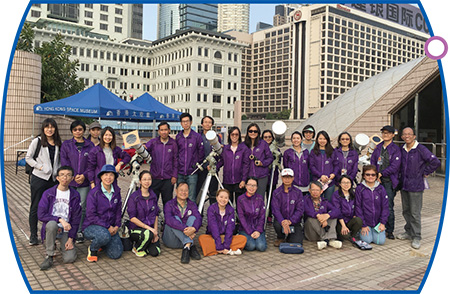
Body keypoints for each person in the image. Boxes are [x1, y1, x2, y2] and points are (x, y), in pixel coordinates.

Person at [397, 127, 440, 249]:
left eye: (409, 134)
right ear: (401, 137)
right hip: (404, 185)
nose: (407, 136)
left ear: (414, 136)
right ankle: (408, 231)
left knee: (415, 213)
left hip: (416, 186)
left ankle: (416, 236)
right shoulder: (403, 149)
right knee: (406, 211)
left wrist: (425, 172)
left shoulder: (420, 149)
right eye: (404, 134)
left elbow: (435, 162)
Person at [37, 166, 81, 270]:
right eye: (62, 175)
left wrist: (71, 239)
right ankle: (49, 255)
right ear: (57, 178)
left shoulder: (75, 195)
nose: (65, 178)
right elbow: (41, 215)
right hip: (53, 227)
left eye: (68, 175)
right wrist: (60, 219)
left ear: (72, 178)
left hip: (66, 229)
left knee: (69, 259)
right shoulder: (48, 193)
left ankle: (62, 245)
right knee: (52, 224)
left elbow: (76, 219)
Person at [26, 118, 62, 246]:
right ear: (43, 128)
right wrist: (41, 167)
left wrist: (58, 173)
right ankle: (33, 235)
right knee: (35, 206)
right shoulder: (38, 141)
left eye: (52, 127)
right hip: (39, 178)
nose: (49, 129)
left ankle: (50, 233)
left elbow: (58, 161)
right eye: (47, 127)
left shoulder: (58, 142)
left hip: (53, 180)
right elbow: (28, 158)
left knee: (51, 207)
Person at [60, 120, 95, 244]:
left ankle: (79, 230)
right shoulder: (66, 145)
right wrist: (72, 175)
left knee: (82, 206)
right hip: (69, 181)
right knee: (68, 205)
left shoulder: (90, 145)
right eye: (75, 130)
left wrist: (84, 175)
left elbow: (92, 163)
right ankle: (67, 229)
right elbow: (64, 161)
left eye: (80, 129)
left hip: (84, 183)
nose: (78, 132)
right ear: (72, 131)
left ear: (84, 130)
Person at [83, 164, 123, 262]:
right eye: (105, 174)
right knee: (104, 235)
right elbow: (91, 215)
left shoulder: (116, 192)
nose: (108, 178)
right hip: (92, 226)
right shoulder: (94, 193)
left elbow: (118, 211)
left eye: (111, 175)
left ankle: (102, 243)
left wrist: (117, 226)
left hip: (110, 227)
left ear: (114, 177)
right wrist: (107, 227)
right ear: (101, 176)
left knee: (116, 254)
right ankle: (93, 249)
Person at [370, 125, 401, 240]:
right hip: (377, 181)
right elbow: (373, 161)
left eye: (388, 133)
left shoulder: (396, 149)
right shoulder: (378, 148)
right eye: (383, 133)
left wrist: (381, 174)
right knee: (376, 204)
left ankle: (390, 230)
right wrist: (374, 174)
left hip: (388, 181)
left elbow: (395, 166)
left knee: (388, 206)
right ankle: (378, 228)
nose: (385, 135)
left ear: (393, 135)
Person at [198, 189, 247, 256]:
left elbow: (230, 228)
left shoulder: (231, 210)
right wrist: (218, 244)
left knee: (243, 238)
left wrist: (226, 245)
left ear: (228, 199)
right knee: (202, 238)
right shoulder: (211, 209)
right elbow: (213, 227)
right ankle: (228, 250)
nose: (223, 200)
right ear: (217, 197)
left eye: (226, 198)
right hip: (213, 236)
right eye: (221, 197)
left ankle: (216, 250)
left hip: (226, 237)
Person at [162, 182, 202, 264]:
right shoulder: (169, 204)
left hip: (182, 240)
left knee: (193, 218)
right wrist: (186, 230)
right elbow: (169, 220)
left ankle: (187, 247)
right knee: (174, 219)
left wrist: (194, 228)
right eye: (181, 190)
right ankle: (191, 245)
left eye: (186, 190)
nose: (183, 192)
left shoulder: (192, 204)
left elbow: (198, 218)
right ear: (176, 191)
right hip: (171, 241)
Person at [127, 171, 161, 257]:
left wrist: (155, 231)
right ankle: (137, 248)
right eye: (144, 179)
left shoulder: (153, 196)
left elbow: (156, 214)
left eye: (149, 179)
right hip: (136, 229)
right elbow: (132, 218)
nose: (147, 182)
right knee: (147, 234)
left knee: (155, 252)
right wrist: (150, 229)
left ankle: (146, 243)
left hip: (150, 229)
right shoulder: (134, 197)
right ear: (140, 181)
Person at [145, 121, 178, 207]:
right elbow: (145, 150)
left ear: (169, 130)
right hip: (155, 177)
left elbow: (176, 160)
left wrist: (174, 175)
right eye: (161, 130)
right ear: (158, 131)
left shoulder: (173, 144)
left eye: (165, 130)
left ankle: (167, 220)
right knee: (152, 202)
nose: (164, 132)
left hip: (168, 179)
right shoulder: (153, 142)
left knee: (168, 203)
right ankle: (153, 219)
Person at [355, 165, 389, 245]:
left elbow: (385, 207)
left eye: (373, 175)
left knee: (380, 242)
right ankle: (360, 231)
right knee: (367, 241)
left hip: (377, 223)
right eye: (368, 174)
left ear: (376, 176)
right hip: (366, 223)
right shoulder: (360, 189)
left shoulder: (381, 189)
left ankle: (375, 231)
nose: (370, 176)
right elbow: (358, 207)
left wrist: (382, 223)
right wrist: (363, 225)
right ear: (363, 175)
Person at [303, 181, 342, 250]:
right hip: (312, 234)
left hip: (322, 230)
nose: (315, 192)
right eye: (313, 190)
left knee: (333, 217)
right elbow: (307, 211)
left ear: (321, 191)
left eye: (317, 190)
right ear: (309, 190)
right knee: (311, 219)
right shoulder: (305, 200)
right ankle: (328, 240)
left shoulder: (325, 201)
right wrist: (318, 216)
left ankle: (328, 240)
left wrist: (327, 215)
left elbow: (337, 211)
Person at [271, 168, 304, 247]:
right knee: (277, 225)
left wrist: (290, 221)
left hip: (294, 221)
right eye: (285, 177)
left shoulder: (298, 192)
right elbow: (275, 210)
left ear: (293, 178)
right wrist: (283, 221)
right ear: (281, 178)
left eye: (289, 177)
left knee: (296, 242)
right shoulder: (276, 192)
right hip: (281, 221)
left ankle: (290, 235)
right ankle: (280, 237)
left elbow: (300, 210)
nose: (287, 179)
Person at [217, 126, 250, 206]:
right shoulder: (225, 148)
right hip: (227, 180)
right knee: (227, 204)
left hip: (239, 181)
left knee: (240, 204)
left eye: (236, 134)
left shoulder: (244, 149)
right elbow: (222, 161)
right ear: (229, 135)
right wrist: (215, 167)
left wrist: (243, 180)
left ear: (239, 136)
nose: (234, 136)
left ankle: (239, 219)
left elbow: (246, 165)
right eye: (232, 134)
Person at [176, 113, 205, 202]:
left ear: (191, 122)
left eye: (187, 121)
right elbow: (176, 153)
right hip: (180, 172)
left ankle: (191, 215)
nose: (185, 123)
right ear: (181, 123)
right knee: (180, 196)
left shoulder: (196, 137)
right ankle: (180, 215)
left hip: (192, 172)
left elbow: (201, 153)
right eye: (183, 122)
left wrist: (195, 164)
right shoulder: (178, 137)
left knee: (191, 197)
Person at [237, 177, 267, 252]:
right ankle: (241, 236)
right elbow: (241, 217)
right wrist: (250, 231)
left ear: (257, 187)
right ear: (246, 186)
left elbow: (262, 216)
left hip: (257, 227)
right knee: (251, 246)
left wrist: (258, 230)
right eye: (249, 185)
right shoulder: (240, 199)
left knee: (261, 247)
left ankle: (260, 236)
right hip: (245, 228)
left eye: (254, 185)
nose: (251, 187)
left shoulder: (260, 198)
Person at [244, 123, 273, 198]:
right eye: (250, 131)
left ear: (258, 133)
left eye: (255, 131)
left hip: (261, 176)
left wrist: (262, 163)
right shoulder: (243, 145)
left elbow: (270, 158)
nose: (253, 133)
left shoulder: (263, 144)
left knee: (260, 198)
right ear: (247, 132)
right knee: (248, 198)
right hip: (248, 176)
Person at [196, 116, 221, 204]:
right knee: (199, 192)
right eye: (205, 122)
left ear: (212, 124)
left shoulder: (216, 137)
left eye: (209, 122)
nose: (207, 124)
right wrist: (204, 165)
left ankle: (212, 213)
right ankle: (199, 213)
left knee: (213, 193)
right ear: (202, 124)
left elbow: (219, 153)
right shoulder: (198, 137)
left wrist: (213, 165)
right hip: (201, 169)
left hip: (213, 168)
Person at [331, 175, 363, 241]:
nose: (346, 185)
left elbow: (357, 207)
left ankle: (353, 235)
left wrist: (354, 215)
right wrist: (343, 226)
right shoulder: (336, 195)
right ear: (340, 184)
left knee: (358, 220)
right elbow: (338, 211)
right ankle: (342, 233)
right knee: (345, 236)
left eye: (348, 182)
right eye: (344, 183)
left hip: (349, 220)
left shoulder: (353, 194)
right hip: (340, 222)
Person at [309, 130, 336, 202]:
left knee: (328, 202)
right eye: (320, 139)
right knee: (316, 202)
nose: (322, 141)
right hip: (317, 182)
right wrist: (320, 176)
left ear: (327, 140)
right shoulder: (313, 152)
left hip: (329, 182)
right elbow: (312, 166)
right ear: (317, 140)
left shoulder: (332, 151)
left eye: (324, 139)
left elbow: (336, 165)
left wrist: (333, 174)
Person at [262, 129, 280, 223]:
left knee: (271, 196)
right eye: (265, 137)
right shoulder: (260, 148)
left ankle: (269, 215)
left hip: (272, 176)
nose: (268, 139)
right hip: (262, 176)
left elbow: (279, 162)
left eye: (269, 137)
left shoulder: (276, 149)